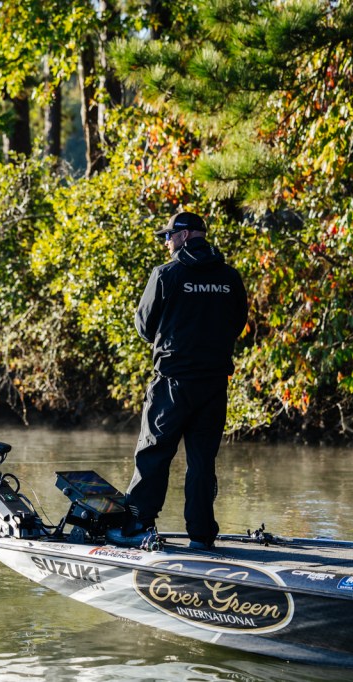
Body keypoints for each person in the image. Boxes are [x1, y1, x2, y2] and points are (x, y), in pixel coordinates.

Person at [107, 210, 248, 550]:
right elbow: (238, 324)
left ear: (184, 235)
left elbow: (144, 327)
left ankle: (138, 525)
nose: (166, 242)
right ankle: (201, 536)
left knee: (153, 454)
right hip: (214, 385)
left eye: (168, 236)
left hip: (172, 382)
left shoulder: (166, 274)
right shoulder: (230, 277)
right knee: (202, 462)